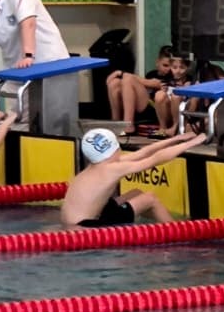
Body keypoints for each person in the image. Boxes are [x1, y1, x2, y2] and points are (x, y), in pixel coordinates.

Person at [61, 129, 205, 229]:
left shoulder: (99, 165)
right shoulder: (112, 169)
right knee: (150, 199)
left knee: (136, 193)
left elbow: (143, 153)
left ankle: (156, 227)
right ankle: (177, 232)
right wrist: (190, 144)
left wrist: (176, 139)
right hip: (86, 228)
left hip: (74, 223)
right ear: (114, 149)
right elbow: (155, 159)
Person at [105, 46, 175, 138]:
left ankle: (128, 125)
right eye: (165, 65)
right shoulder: (151, 74)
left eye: (171, 66)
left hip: (157, 110)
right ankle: (116, 122)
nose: (168, 69)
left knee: (128, 79)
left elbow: (150, 84)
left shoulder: (171, 76)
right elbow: (147, 85)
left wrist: (121, 73)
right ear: (157, 62)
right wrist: (149, 83)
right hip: (145, 105)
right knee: (115, 83)